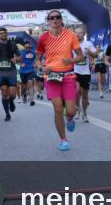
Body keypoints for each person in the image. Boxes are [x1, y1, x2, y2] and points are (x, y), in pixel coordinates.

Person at [36, 10, 83, 151]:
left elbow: (80, 56)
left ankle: (69, 118)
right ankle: (63, 140)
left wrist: (71, 60)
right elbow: (37, 60)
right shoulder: (43, 38)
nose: (55, 20)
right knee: (57, 108)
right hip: (51, 77)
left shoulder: (70, 36)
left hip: (68, 75)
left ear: (61, 20)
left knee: (70, 111)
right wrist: (43, 68)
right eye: (52, 18)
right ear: (48, 21)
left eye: (58, 17)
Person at [0, 27, 20, 121]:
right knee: (4, 91)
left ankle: (11, 101)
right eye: (1, 33)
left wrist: (16, 59)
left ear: (7, 34)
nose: (3, 34)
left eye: (4, 32)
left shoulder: (12, 44)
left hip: (11, 71)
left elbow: (19, 56)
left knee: (13, 94)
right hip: (0, 72)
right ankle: (7, 114)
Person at [73, 27, 95, 122]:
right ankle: (78, 109)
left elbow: (96, 55)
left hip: (85, 72)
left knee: (85, 95)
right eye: (76, 33)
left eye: (80, 33)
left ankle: (85, 113)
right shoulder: (72, 44)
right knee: (76, 91)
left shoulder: (88, 44)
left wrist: (89, 51)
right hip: (75, 71)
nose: (78, 34)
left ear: (84, 34)